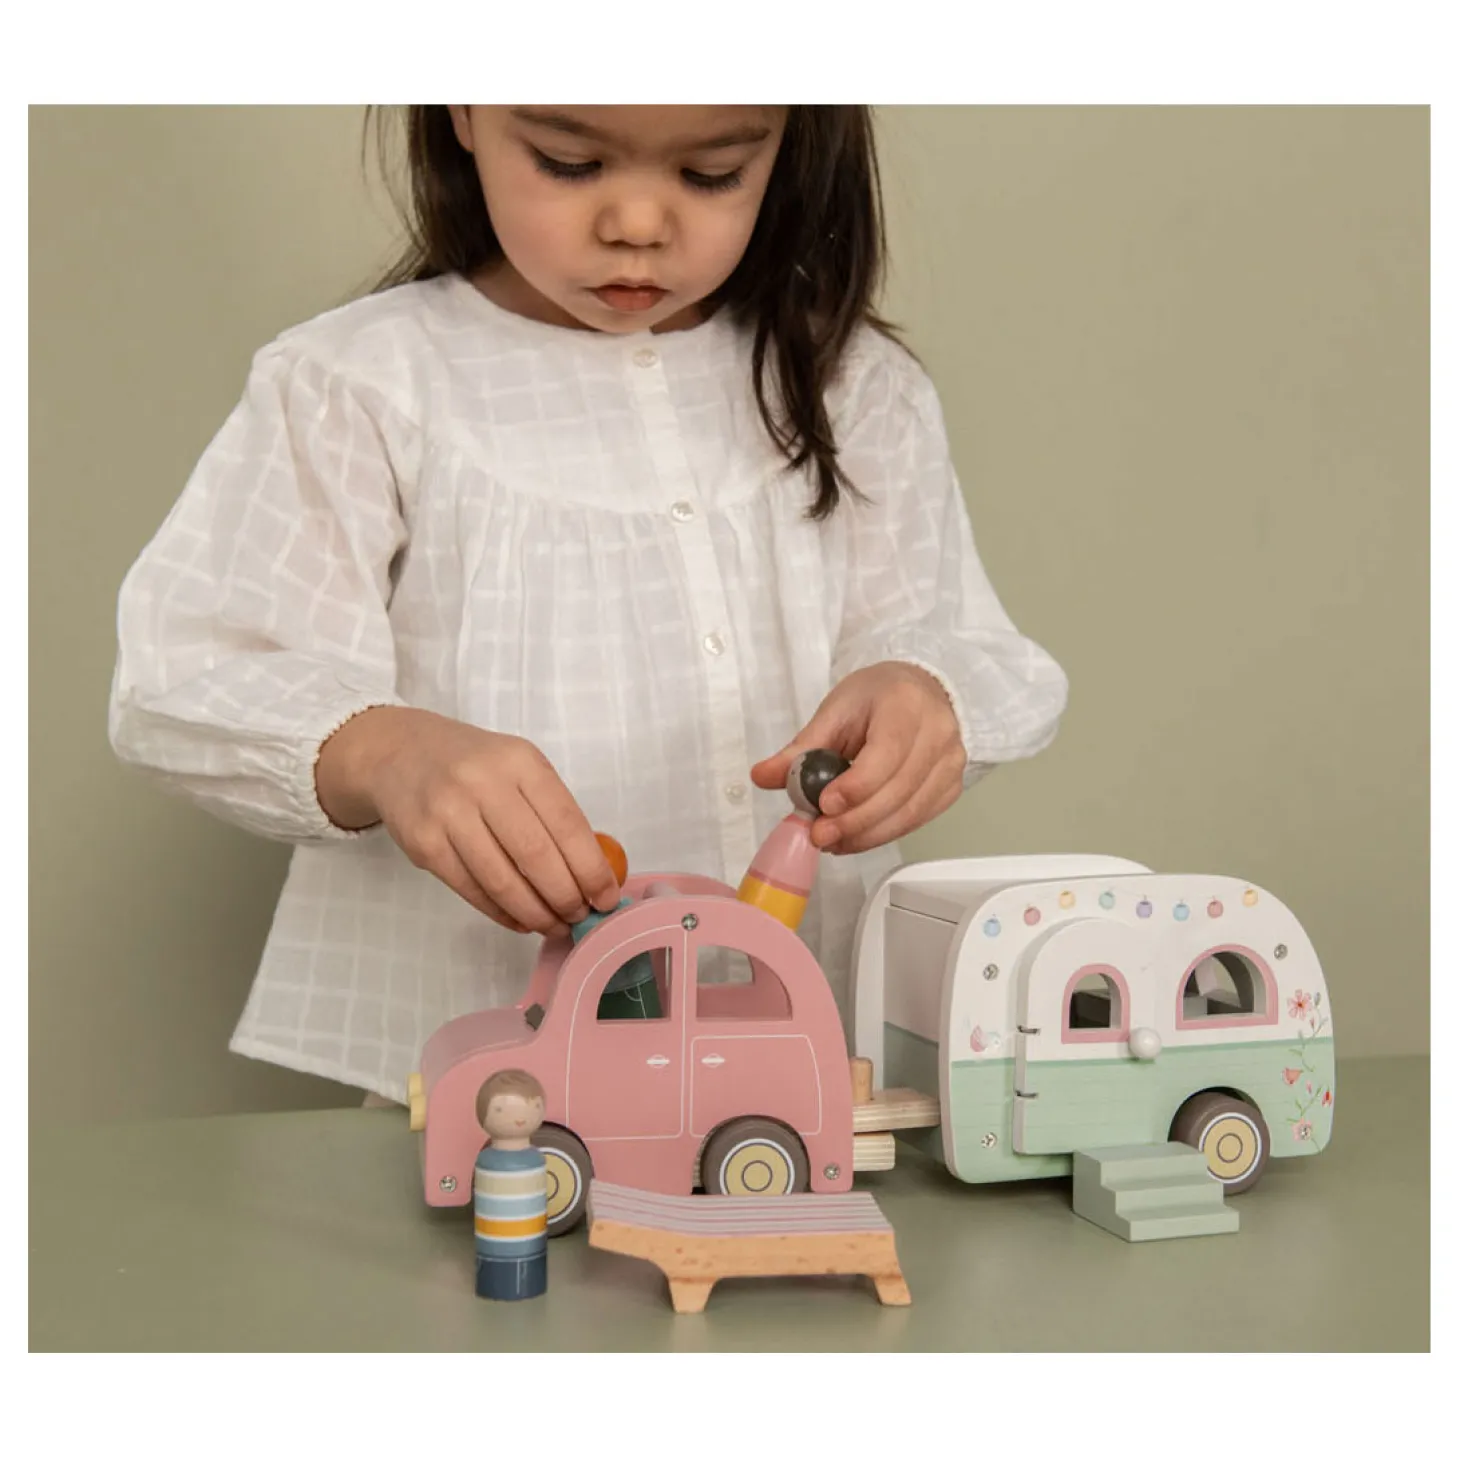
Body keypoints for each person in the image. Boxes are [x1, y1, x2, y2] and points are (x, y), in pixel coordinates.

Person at [108, 105, 1068, 1105]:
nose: (637, 224)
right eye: (569, 162)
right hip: (483, 1067)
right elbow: (191, 673)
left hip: (790, 1053)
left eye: (710, 173)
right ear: (464, 111)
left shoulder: (852, 385)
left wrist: (922, 698)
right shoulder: (356, 383)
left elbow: (946, 634)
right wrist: (386, 752)